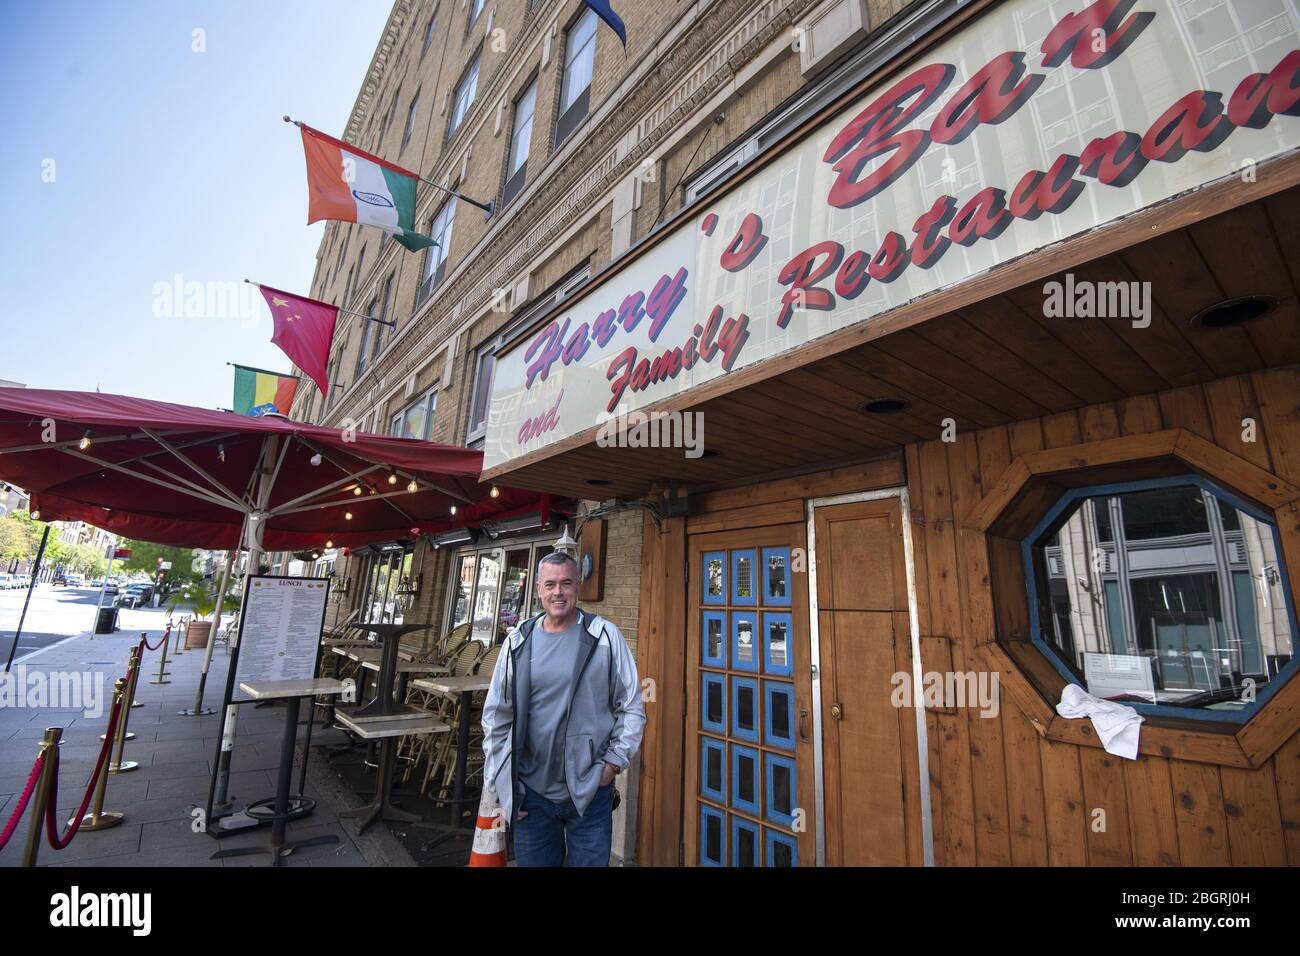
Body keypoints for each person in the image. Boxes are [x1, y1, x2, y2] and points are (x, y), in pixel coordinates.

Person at [481, 551, 645, 867]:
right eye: (551, 584)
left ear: (578, 587)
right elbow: (497, 716)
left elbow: (632, 707)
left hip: (590, 793)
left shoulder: (604, 637)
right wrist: (503, 784)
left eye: (566, 583)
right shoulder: (519, 640)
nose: (558, 592)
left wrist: (611, 765)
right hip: (531, 796)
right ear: (538, 590)